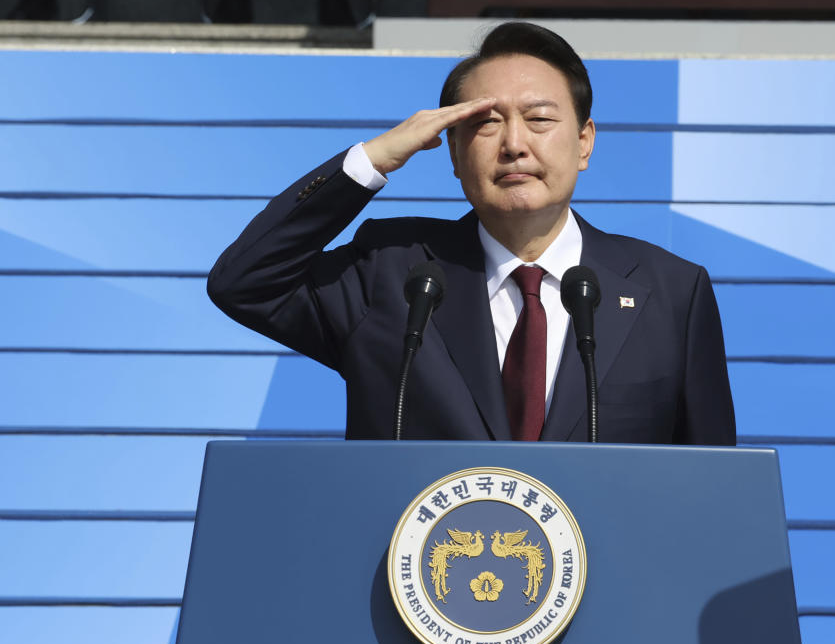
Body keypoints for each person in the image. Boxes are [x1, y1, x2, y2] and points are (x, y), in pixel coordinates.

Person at [208, 22, 736, 445]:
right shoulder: (392, 276)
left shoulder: (670, 293)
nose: (514, 144)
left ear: (584, 142)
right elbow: (244, 282)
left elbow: (712, 484)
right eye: (486, 124)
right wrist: (371, 161)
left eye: (539, 119)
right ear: (455, 154)